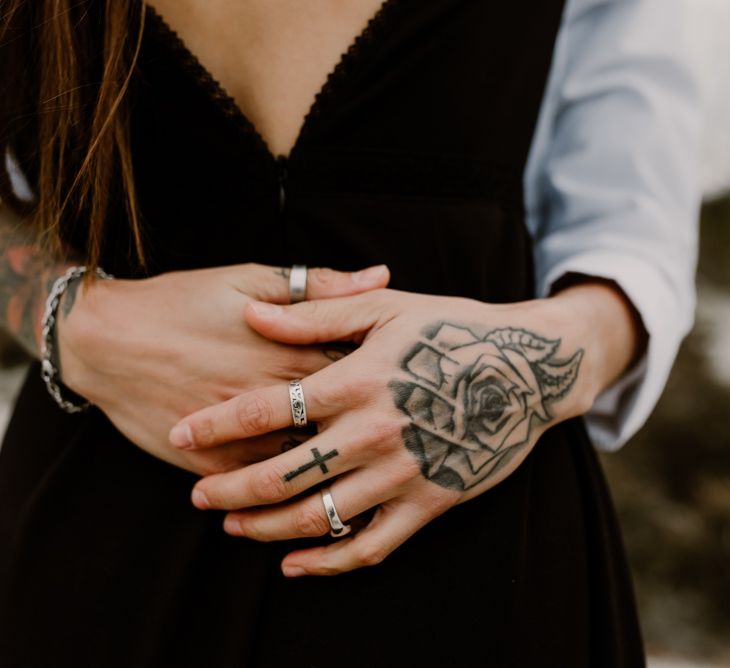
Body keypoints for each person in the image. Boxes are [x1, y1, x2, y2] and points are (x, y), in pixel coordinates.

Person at [0, 0, 701, 666]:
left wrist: (531, 367)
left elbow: (630, 234)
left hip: (472, 522)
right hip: (98, 549)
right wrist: (76, 320)